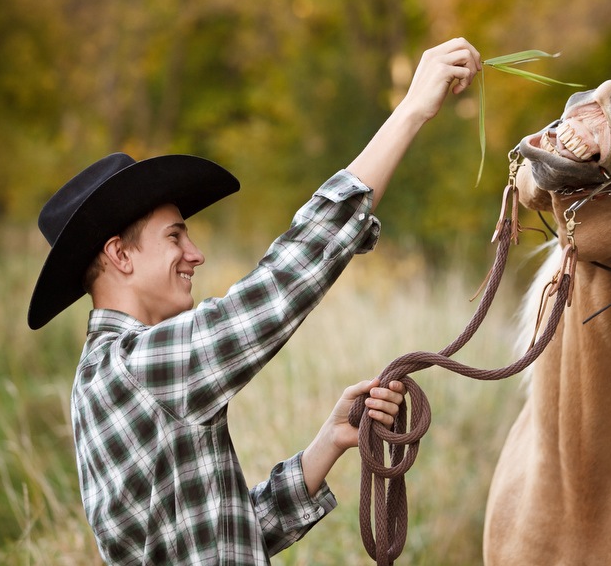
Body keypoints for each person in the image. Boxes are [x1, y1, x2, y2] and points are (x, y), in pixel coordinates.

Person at [27, 38, 481, 564]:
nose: (194, 254)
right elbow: (277, 290)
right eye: (175, 237)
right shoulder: (137, 368)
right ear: (119, 256)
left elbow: (221, 539)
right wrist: (410, 112)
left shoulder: (116, 372)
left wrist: (327, 445)